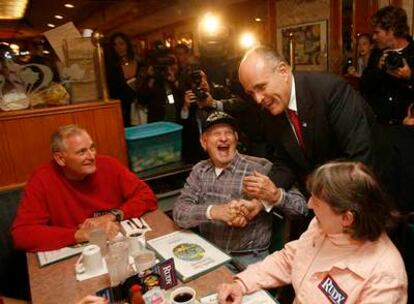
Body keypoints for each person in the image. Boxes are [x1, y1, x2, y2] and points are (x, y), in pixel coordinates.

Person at [217, 161, 408, 304]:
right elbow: (288, 259)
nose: (308, 205)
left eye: (316, 202)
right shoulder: (322, 225)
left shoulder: (385, 278)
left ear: (346, 218)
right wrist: (242, 284)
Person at [173, 111, 307, 267]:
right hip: (209, 253)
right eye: (216, 133)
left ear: (236, 139)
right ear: (204, 141)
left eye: (228, 133)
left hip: (250, 258)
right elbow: (179, 213)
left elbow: (301, 209)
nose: (223, 138)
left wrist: (275, 196)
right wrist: (216, 212)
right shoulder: (200, 170)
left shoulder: (261, 168)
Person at [238, 45, 376, 194]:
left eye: (261, 87)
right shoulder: (269, 110)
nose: (258, 99)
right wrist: (262, 197)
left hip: (361, 190)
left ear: (283, 71)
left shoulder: (331, 91)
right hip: (318, 196)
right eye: (251, 93)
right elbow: (286, 163)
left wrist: (329, 208)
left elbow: (359, 160)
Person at [11, 125, 157, 252]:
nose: (91, 156)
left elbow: (147, 196)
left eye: (92, 148)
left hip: (116, 245)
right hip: (74, 253)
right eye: (81, 152)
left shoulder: (109, 165)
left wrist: (110, 216)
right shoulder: (41, 179)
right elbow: (21, 234)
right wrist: (81, 234)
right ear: (60, 159)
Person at [360, 6, 414, 125]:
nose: (373, 37)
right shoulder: (376, 54)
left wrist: (410, 77)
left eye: (377, 32)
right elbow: (363, 86)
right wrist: (377, 70)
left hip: (407, 132)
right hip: (379, 130)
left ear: (392, 30)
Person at [106, 32, 147, 127]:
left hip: (142, 108)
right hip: (123, 110)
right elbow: (113, 91)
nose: (118, 47)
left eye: (121, 44)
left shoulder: (139, 63)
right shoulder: (112, 67)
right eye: (115, 45)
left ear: (127, 45)